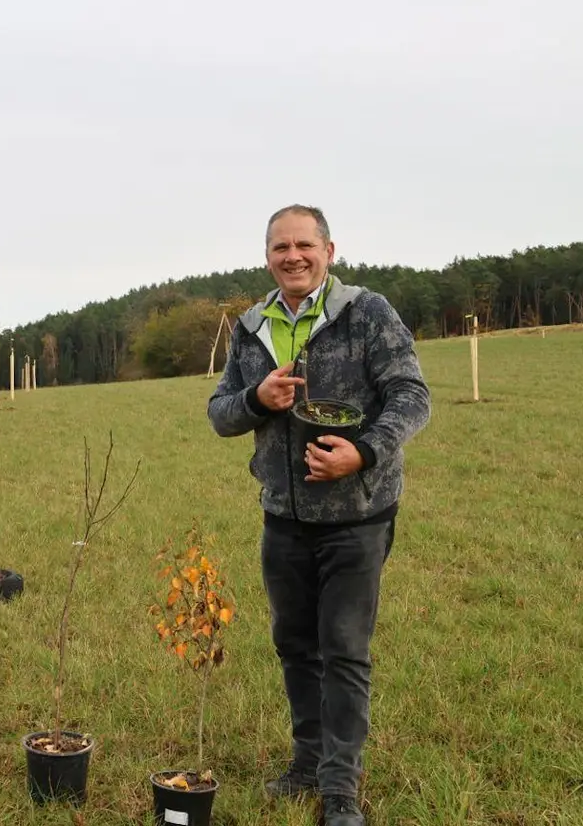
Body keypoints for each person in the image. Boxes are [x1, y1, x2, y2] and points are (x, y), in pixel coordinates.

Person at [207, 205, 431, 826]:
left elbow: (411, 395)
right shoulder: (252, 327)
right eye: (281, 247)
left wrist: (362, 451)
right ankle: (307, 763)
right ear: (268, 256)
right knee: (294, 644)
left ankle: (339, 789)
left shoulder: (368, 313)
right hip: (282, 516)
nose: (293, 256)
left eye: (305, 244)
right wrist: (257, 399)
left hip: (358, 515)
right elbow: (220, 413)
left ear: (330, 251)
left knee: (344, 649)